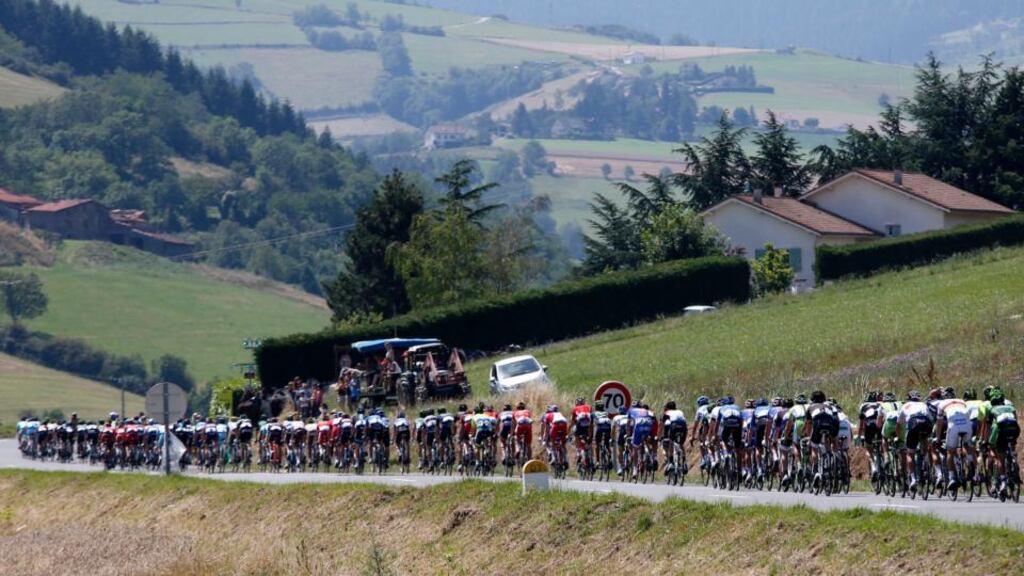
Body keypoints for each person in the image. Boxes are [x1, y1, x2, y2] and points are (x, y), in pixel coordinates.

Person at [983, 387, 1019, 495]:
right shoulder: (1010, 407)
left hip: (1001, 430)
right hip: (1014, 429)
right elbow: (1015, 420)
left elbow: (988, 427)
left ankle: (1003, 481)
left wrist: (987, 442)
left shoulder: (992, 409)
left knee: (1000, 457)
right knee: (1012, 446)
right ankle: (1013, 459)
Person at [895, 390, 933, 490]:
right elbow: (931, 418)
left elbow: (898, 424)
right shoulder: (923, 404)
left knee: (909, 453)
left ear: (908, 398)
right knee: (925, 439)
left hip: (913, 424)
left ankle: (913, 479)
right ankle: (926, 459)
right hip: (926, 423)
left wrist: (899, 438)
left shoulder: (905, 406)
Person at [661, 401, 688, 476]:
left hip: (674, 425)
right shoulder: (680, 411)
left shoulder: (667, 412)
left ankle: (671, 462)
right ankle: (684, 462)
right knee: (681, 444)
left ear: (667, 408)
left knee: (671, 442)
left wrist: (659, 435)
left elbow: (661, 425)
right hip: (683, 426)